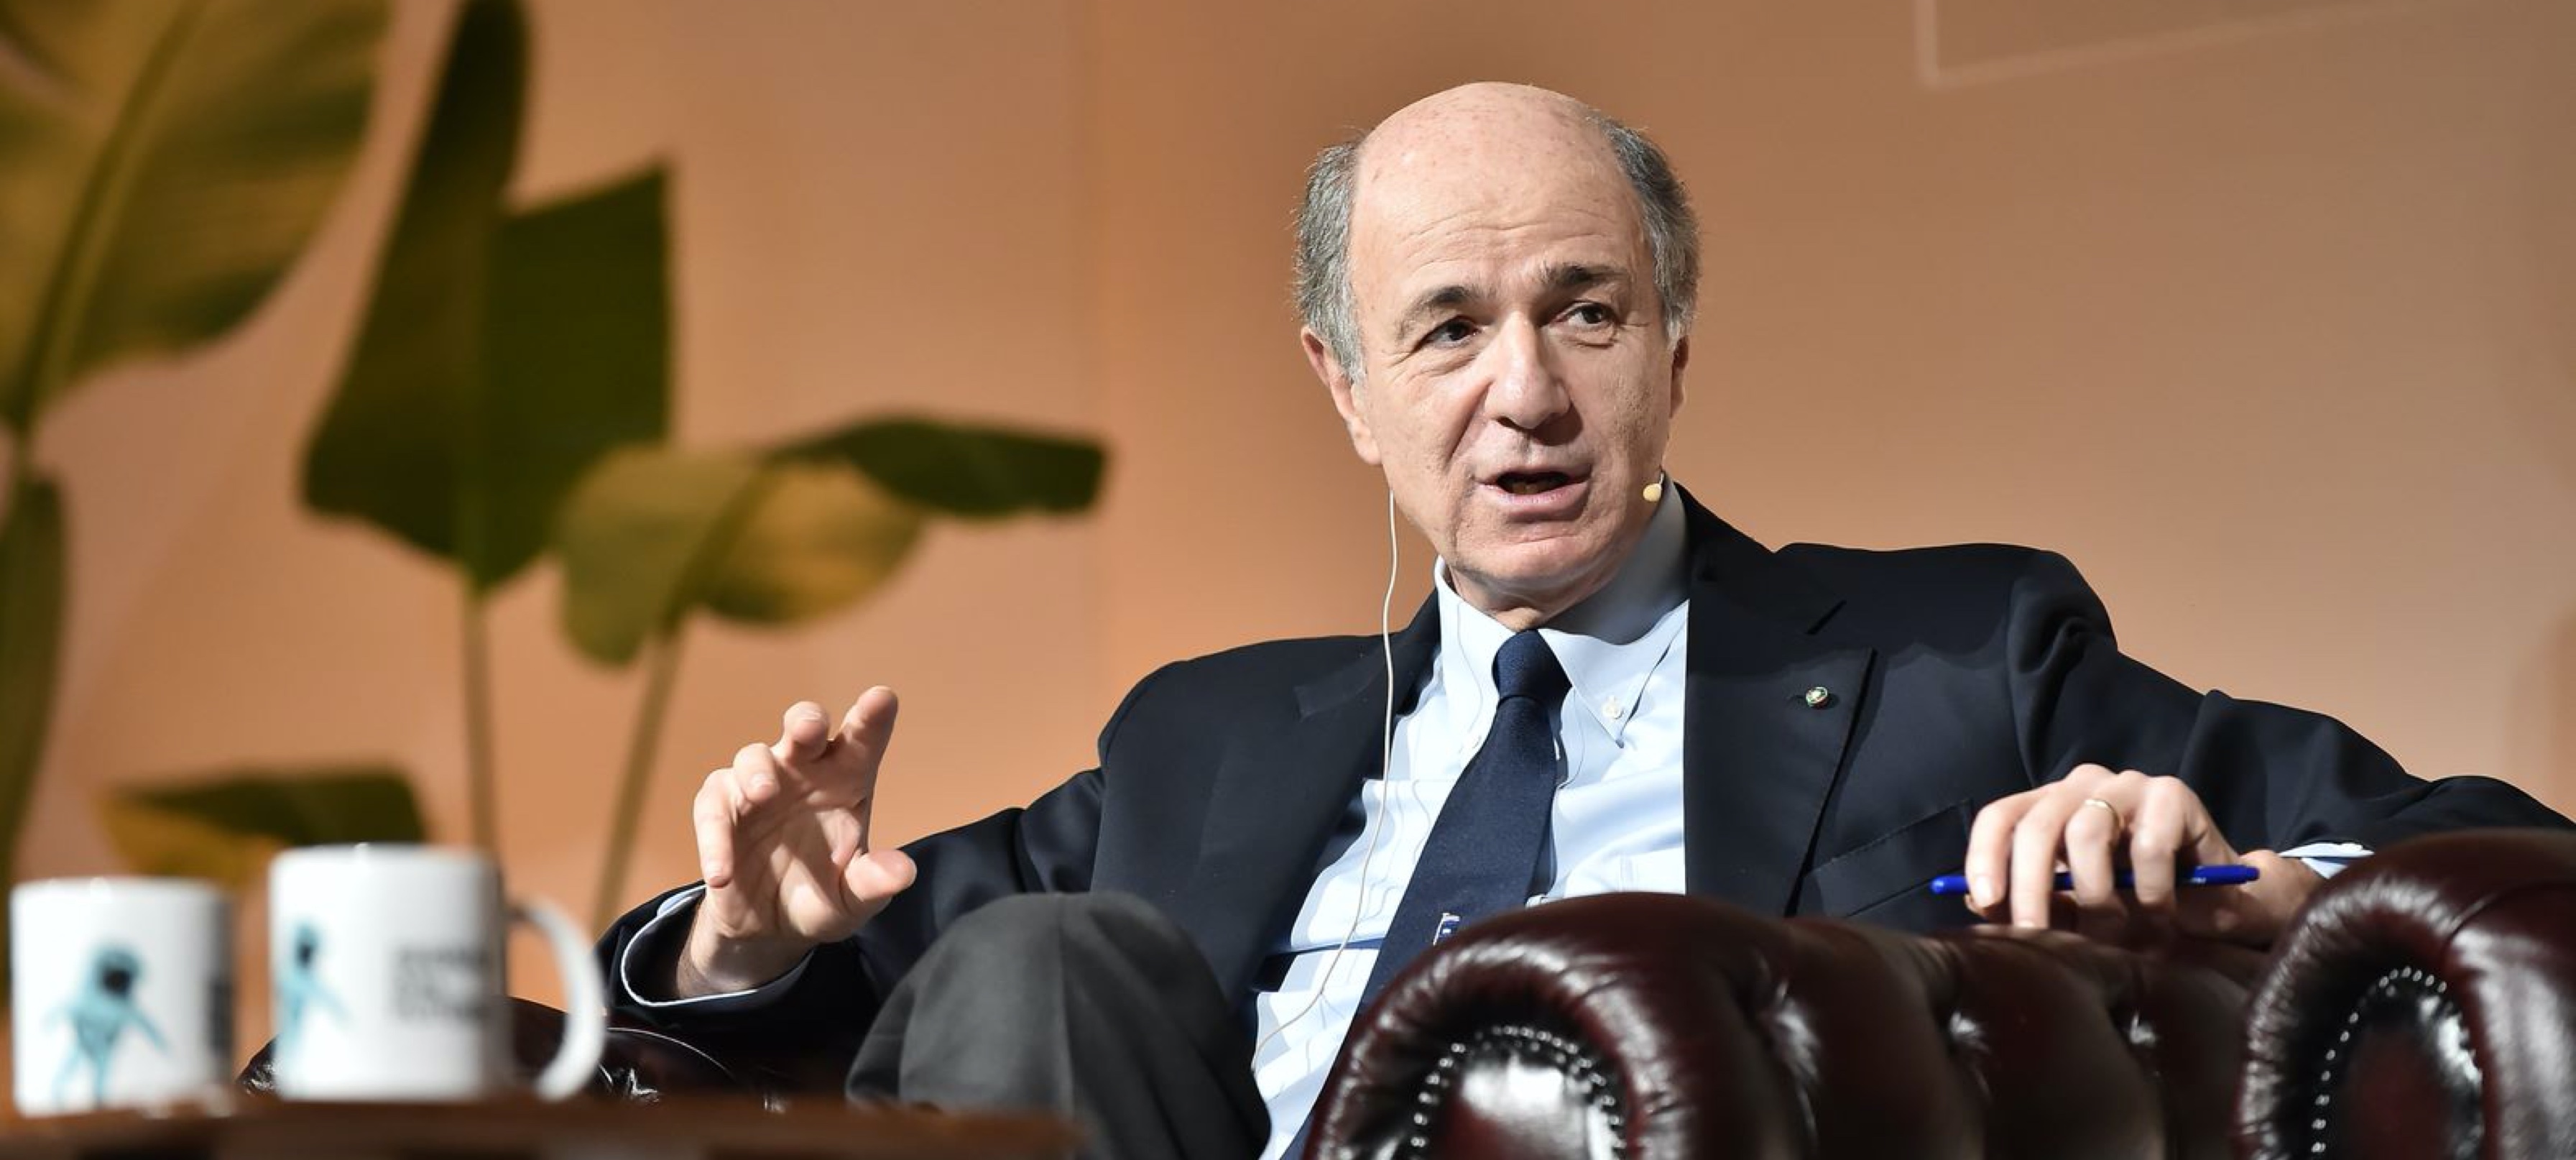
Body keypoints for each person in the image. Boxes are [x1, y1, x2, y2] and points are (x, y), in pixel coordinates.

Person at [601, 83, 2567, 1160]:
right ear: (1345, 387)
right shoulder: (1202, 741)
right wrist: (740, 936)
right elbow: (902, 1014)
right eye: (1447, 330)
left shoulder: (1960, 659)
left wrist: (2243, 881)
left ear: (1674, 347)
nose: (1525, 395)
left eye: (1587, 313)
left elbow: (2497, 854)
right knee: (1039, 951)